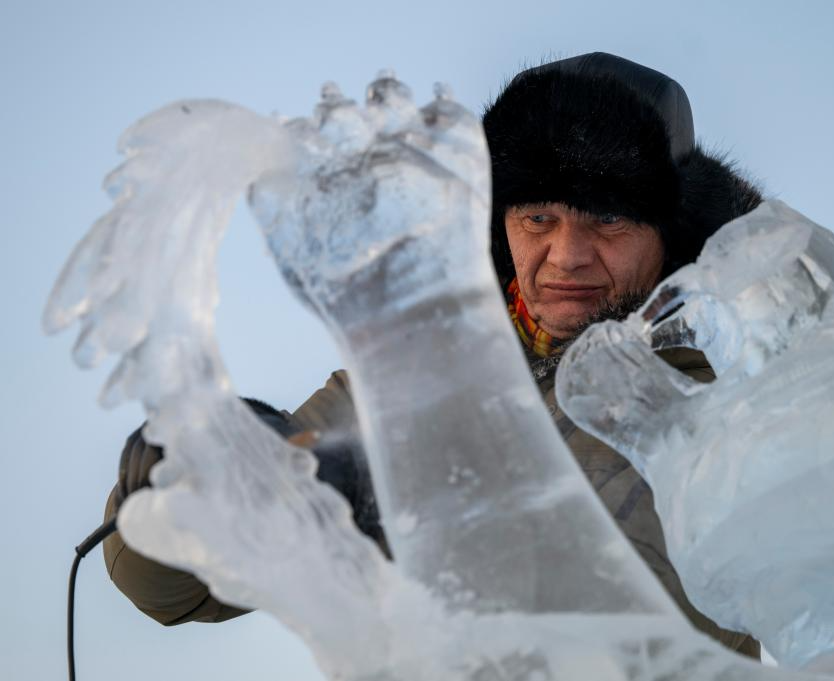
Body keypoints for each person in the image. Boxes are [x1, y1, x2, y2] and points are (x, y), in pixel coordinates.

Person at [101, 52, 764, 658]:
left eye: (608, 219)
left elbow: (645, 630)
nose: (566, 255)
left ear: (670, 231)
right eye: (539, 218)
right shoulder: (410, 375)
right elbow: (179, 591)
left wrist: (381, 501)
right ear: (500, 223)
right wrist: (183, 484)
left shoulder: (735, 393)